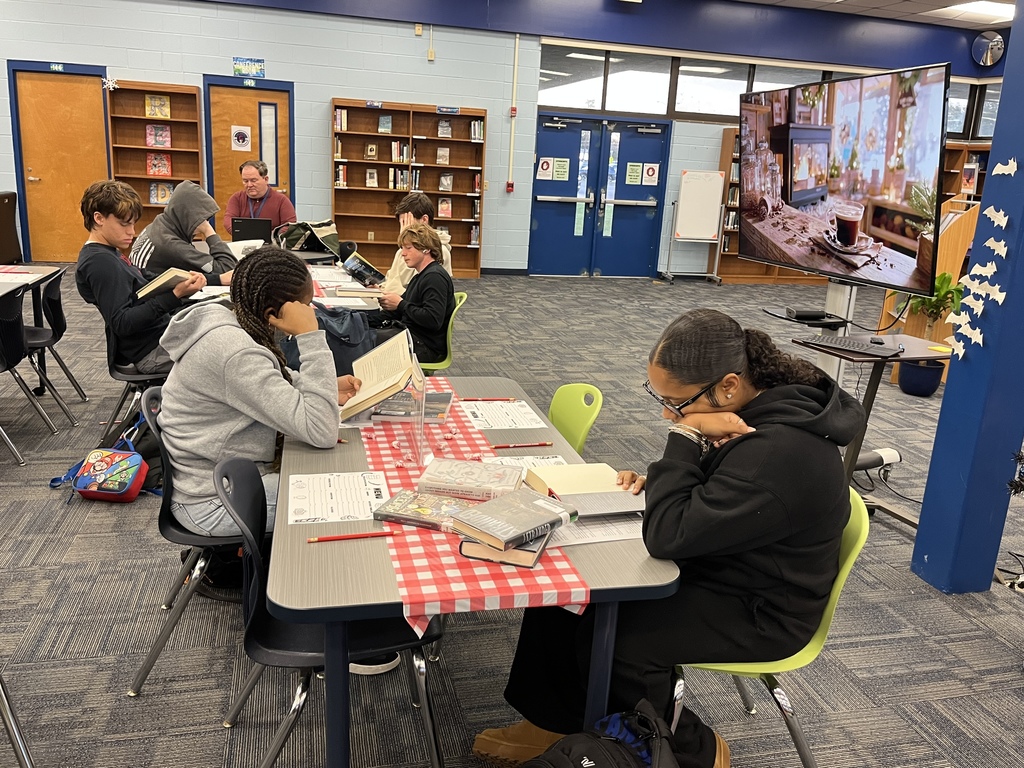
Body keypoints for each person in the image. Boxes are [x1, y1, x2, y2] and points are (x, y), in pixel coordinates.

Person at [473, 308, 866, 768]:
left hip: (763, 607)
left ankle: (694, 749)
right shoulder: (757, 410)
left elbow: (668, 535)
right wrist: (658, 481)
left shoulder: (780, 452)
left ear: (729, 386)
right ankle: (553, 722)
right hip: (728, 560)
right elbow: (717, 495)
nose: (666, 413)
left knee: (621, 640)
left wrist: (686, 434)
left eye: (676, 404)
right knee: (567, 594)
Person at [157, 245, 360, 537]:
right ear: (273, 313)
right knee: (345, 495)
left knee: (336, 477)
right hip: (212, 501)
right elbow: (321, 430)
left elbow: (272, 378)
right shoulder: (235, 352)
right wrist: (311, 337)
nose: (309, 315)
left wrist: (322, 385)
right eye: (304, 308)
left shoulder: (231, 321)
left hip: (217, 479)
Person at [76, 180, 207, 374]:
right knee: (229, 354)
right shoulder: (100, 262)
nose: (132, 231)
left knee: (220, 321)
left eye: (133, 224)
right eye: (124, 224)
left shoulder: (110, 252)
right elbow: (122, 322)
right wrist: (173, 296)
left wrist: (211, 279)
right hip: (150, 351)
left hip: (160, 336)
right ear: (99, 218)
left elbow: (143, 277)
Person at [371, 222, 455, 364]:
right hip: (412, 336)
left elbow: (433, 319)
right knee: (359, 332)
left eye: (408, 248)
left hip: (424, 346)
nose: (403, 253)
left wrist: (400, 304)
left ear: (426, 249)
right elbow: (397, 311)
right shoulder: (420, 276)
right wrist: (362, 320)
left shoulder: (435, 278)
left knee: (362, 342)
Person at [130, 180, 237, 286]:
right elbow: (229, 271)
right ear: (186, 216)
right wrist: (209, 230)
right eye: (202, 219)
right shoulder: (171, 245)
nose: (203, 223)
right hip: (151, 296)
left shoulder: (161, 224)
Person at [378, 192, 453, 295]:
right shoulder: (402, 251)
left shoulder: (439, 251)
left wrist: (407, 241)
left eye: (406, 223)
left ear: (424, 220)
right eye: (401, 224)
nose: (402, 229)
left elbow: (410, 287)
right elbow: (391, 281)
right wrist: (377, 289)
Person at [223, 159, 297, 234]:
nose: (249, 185)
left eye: (253, 180)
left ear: (266, 179)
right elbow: (228, 220)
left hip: (273, 243)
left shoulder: (281, 200)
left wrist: (272, 236)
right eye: (245, 181)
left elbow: (290, 225)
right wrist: (242, 233)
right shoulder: (237, 198)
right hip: (244, 242)